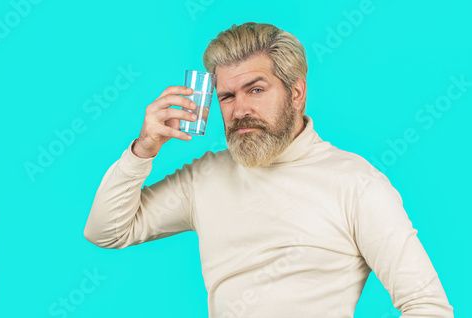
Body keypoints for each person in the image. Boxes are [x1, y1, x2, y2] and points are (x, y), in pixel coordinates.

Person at [83, 22, 453, 317]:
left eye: (255, 89)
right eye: (227, 96)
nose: (239, 109)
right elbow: (108, 231)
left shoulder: (356, 183)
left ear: (296, 93)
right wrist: (142, 150)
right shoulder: (205, 177)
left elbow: (428, 306)